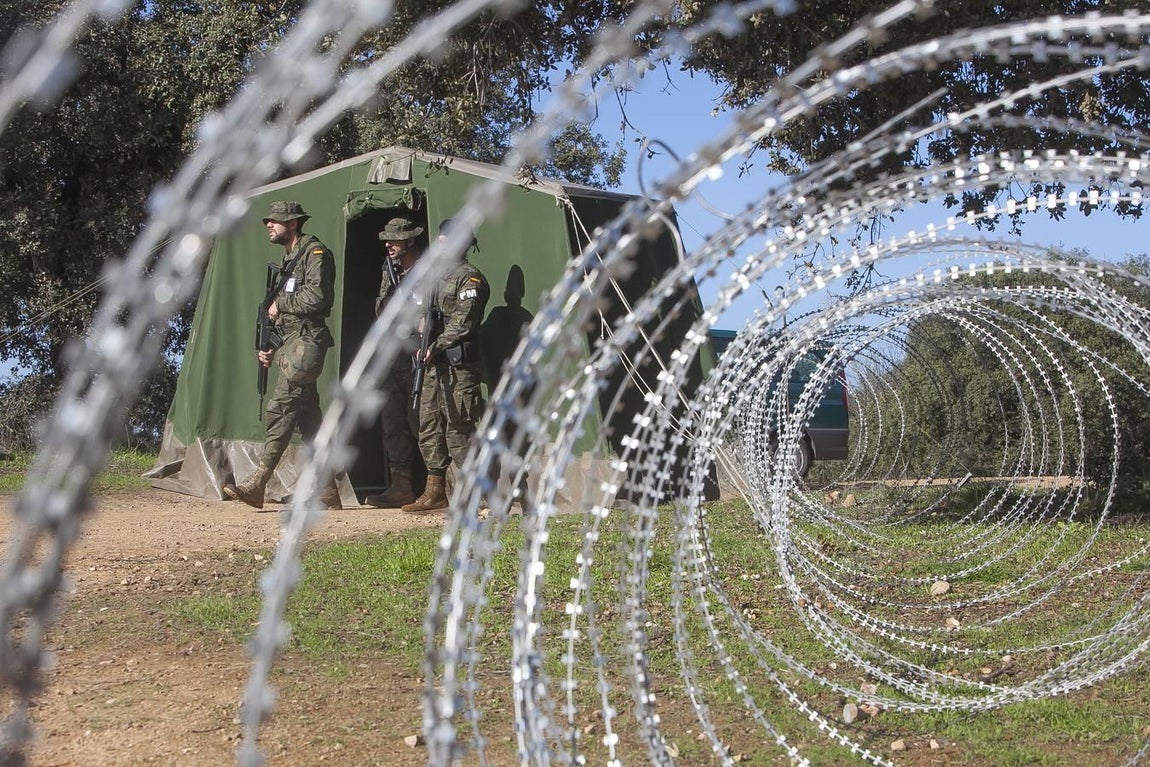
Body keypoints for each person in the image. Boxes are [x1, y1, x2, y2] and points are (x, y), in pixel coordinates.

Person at [223, 200, 341, 510]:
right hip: (293, 345)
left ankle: (258, 482)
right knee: (309, 419)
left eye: (275, 221)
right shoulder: (289, 260)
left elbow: (317, 297)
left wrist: (281, 306)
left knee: (280, 408)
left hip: (307, 344)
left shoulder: (315, 254)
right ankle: (327, 489)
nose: (269, 225)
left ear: (293, 224)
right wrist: (271, 346)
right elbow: (282, 317)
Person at [401, 219, 490, 513]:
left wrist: (434, 345)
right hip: (432, 365)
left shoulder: (470, 279)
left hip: (457, 366)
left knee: (458, 429)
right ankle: (435, 491)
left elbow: (463, 324)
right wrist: (418, 324)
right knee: (427, 425)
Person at [364, 215, 425, 508]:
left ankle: (441, 487)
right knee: (393, 423)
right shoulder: (389, 271)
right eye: (386, 239)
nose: (388, 244)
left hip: (418, 356)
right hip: (393, 356)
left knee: (423, 423)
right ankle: (401, 487)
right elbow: (380, 308)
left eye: (394, 239)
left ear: (410, 240)